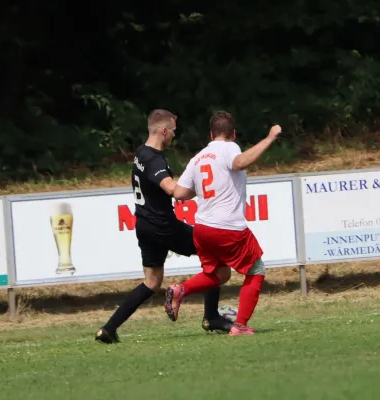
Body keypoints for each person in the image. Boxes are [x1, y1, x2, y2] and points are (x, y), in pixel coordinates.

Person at [95, 109, 232, 344]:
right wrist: (204, 189)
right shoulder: (155, 159)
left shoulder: (141, 153)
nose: (174, 136)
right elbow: (171, 189)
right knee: (218, 259)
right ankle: (211, 318)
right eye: (174, 132)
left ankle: (108, 329)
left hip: (144, 225)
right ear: (164, 130)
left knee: (151, 282)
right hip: (163, 226)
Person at [164, 111, 282, 336]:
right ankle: (240, 326)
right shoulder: (230, 148)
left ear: (210, 134)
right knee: (256, 270)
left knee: (220, 275)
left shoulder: (198, 158)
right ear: (233, 134)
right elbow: (239, 163)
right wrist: (269, 138)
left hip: (202, 229)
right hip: (228, 227)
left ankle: (180, 289)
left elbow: (179, 192)